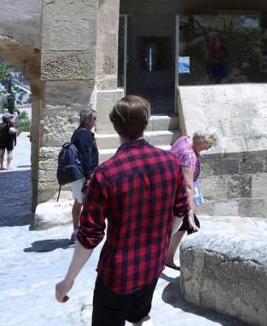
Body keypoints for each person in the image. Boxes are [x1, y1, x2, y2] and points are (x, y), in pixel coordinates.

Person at [55, 95, 188, 325]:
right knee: (140, 317)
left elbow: (89, 236)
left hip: (118, 273)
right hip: (152, 264)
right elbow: (179, 212)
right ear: (145, 124)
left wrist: (68, 279)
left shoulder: (105, 175)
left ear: (115, 126)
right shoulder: (171, 163)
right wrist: (162, 241)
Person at [165, 130, 219, 270]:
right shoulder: (189, 155)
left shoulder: (184, 139)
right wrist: (189, 213)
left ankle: (168, 258)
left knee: (182, 226)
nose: (208, 148)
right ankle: (199, 269)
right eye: (208, 145)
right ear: (202, 141)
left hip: (170, 191)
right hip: (176, 195)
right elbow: (188, 186)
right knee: (193, 227)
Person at [70, 109, 100, 240]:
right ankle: (79, 232)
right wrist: (89, 177)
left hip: (79, 174)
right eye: (94, 118)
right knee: (83, 203)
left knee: (79, 202)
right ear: (87, 120)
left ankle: (77, 231)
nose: (95, 121)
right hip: (83, 175)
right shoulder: (85, 134)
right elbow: (84, 155)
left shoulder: (79, 132)